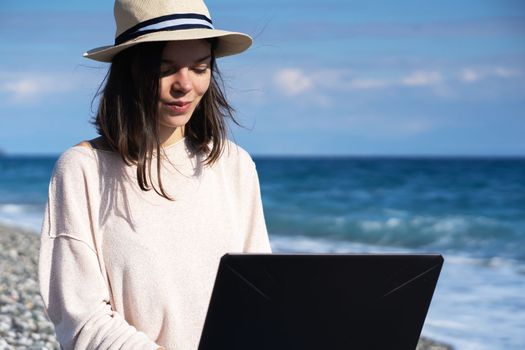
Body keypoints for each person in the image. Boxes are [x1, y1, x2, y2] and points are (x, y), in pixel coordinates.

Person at [38, 0, 272, 349]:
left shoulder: (234, 165)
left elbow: (260, 294)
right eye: (165, 69)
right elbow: (81, 316)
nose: (184, 85)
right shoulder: (82, 169)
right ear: (131, 70)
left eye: (200, 67)